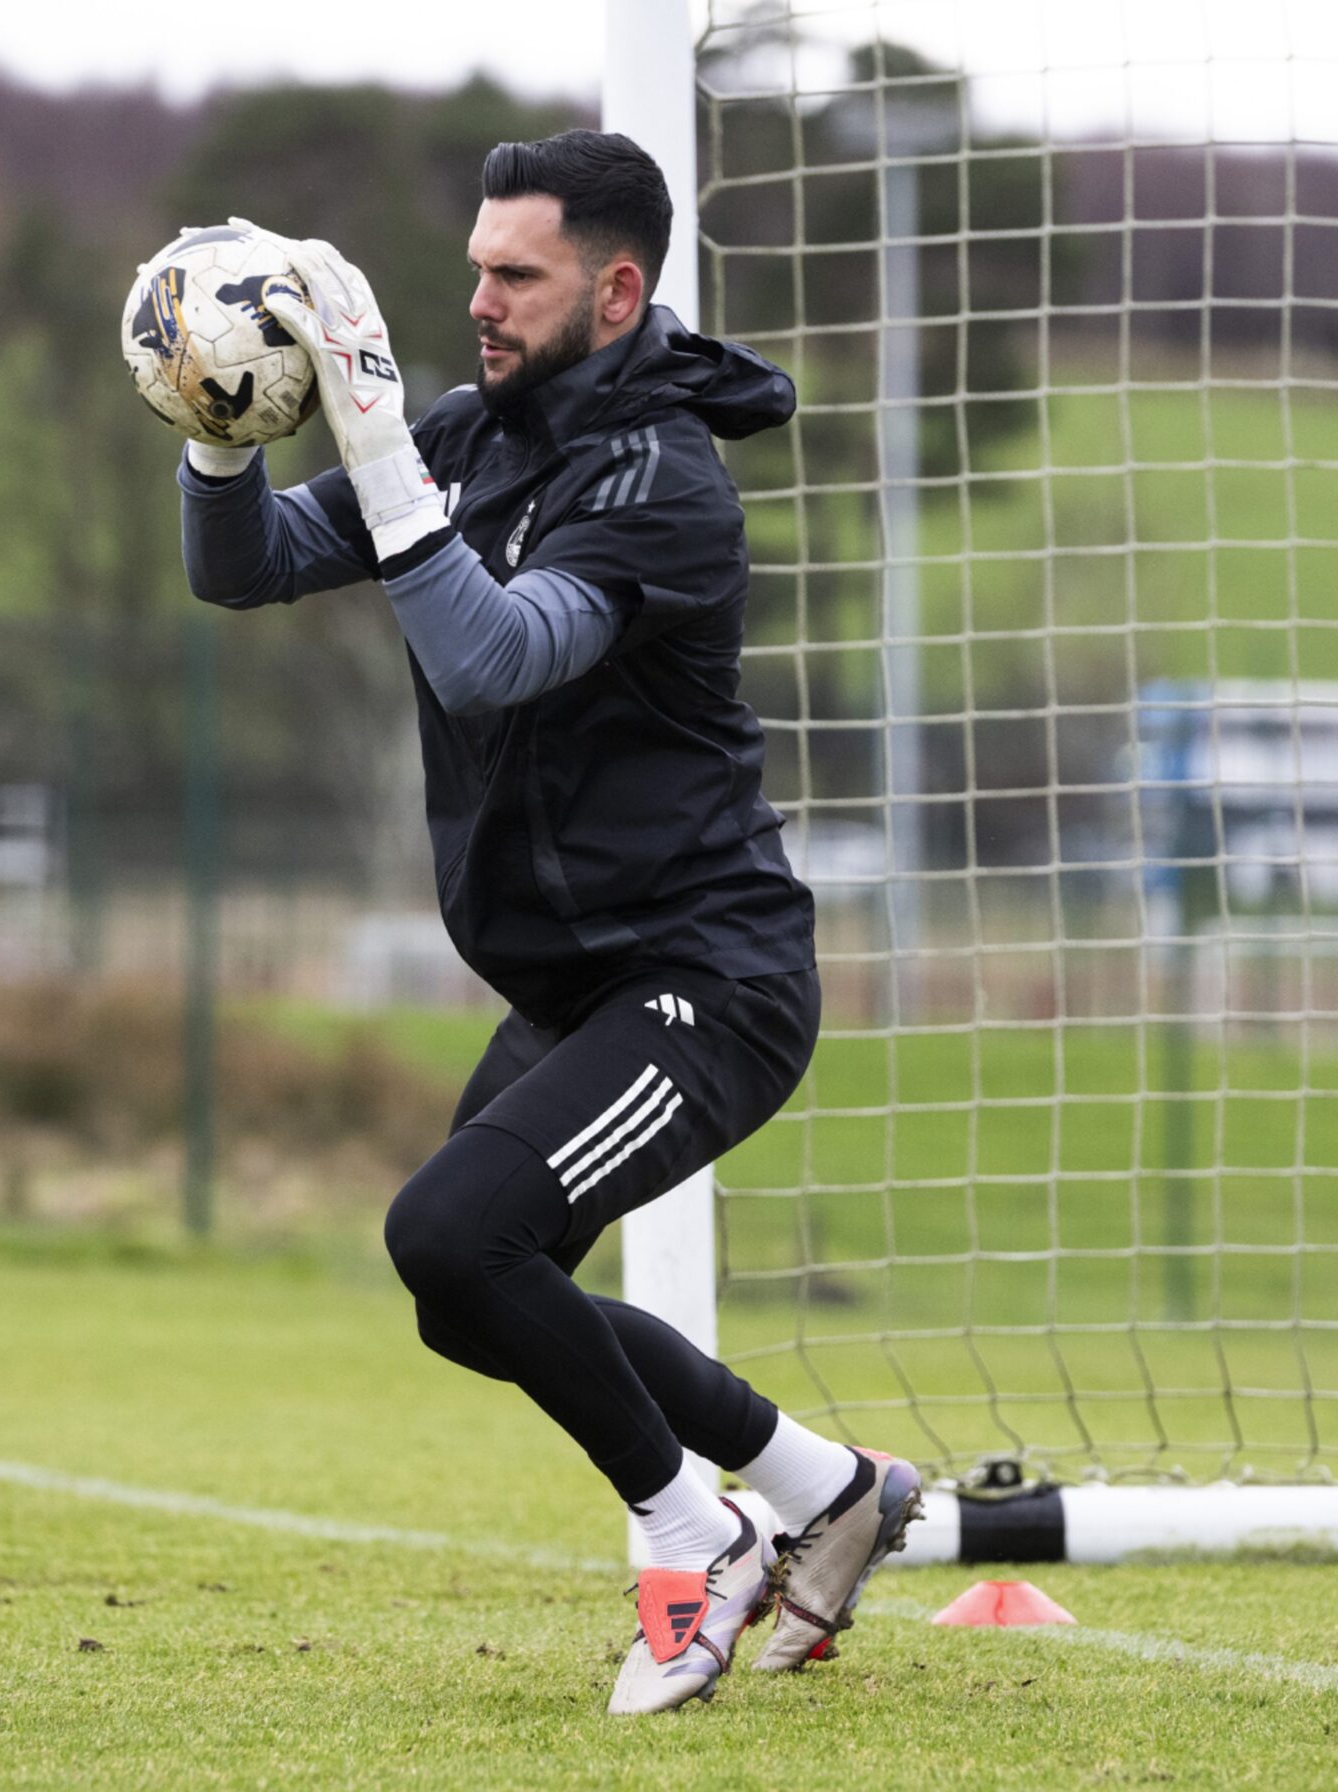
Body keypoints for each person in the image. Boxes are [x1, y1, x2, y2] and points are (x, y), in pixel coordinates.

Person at [176, 128, 921, 1715]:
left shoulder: (666, 488)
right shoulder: (464, 436)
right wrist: (218, 423)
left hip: (705, 985)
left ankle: (689, 1533)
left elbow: (497, 656)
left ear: (618, 287)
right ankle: (822, 1488)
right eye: (474, 270)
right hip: (578, 989)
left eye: (517, 275)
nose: (481, 301)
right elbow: (239, 575)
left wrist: (381, 451)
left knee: (452, 1232)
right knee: (468, 1296)